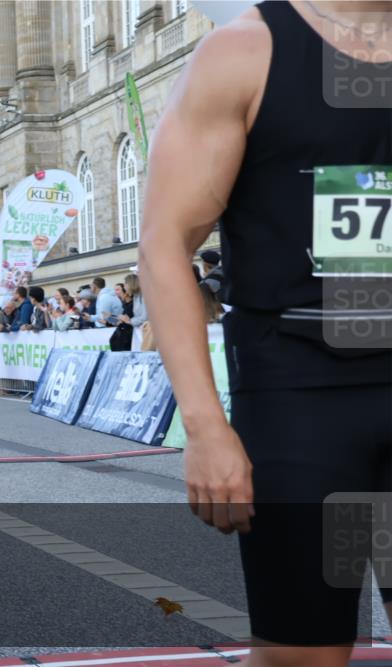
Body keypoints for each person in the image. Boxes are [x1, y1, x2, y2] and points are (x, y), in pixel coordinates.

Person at [139, 1, 392, 662]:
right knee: (302, 655)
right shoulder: (245, 52)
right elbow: (166, 245)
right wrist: (204, 425)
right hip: (300, 401)